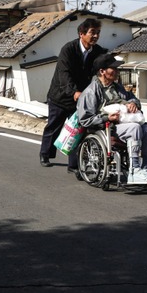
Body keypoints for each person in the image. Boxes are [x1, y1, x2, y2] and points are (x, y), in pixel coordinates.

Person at [77, 53, 147, 185]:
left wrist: (133, 103)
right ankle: (134, 170)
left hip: (124, 123)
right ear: (102, 71)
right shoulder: (90, 92)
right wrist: (106, 117)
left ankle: (145, 167)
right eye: (113, 69)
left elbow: (132, 97)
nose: (117, 71)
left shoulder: (117, 87)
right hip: (106, 127)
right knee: (135, 128)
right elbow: (85, 119)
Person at [39, 18, 106, 176]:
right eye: (92, 32)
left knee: (78, 130)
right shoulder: (68, 49)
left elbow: (104, 66)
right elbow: (64, 75)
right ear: (81, 34)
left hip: (81, 98)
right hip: (61, 95)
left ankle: (74, 165)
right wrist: (74, 92)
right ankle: (45, 154)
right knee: (54, 126)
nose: (96, 36)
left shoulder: (98, 51)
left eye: (98, 33)